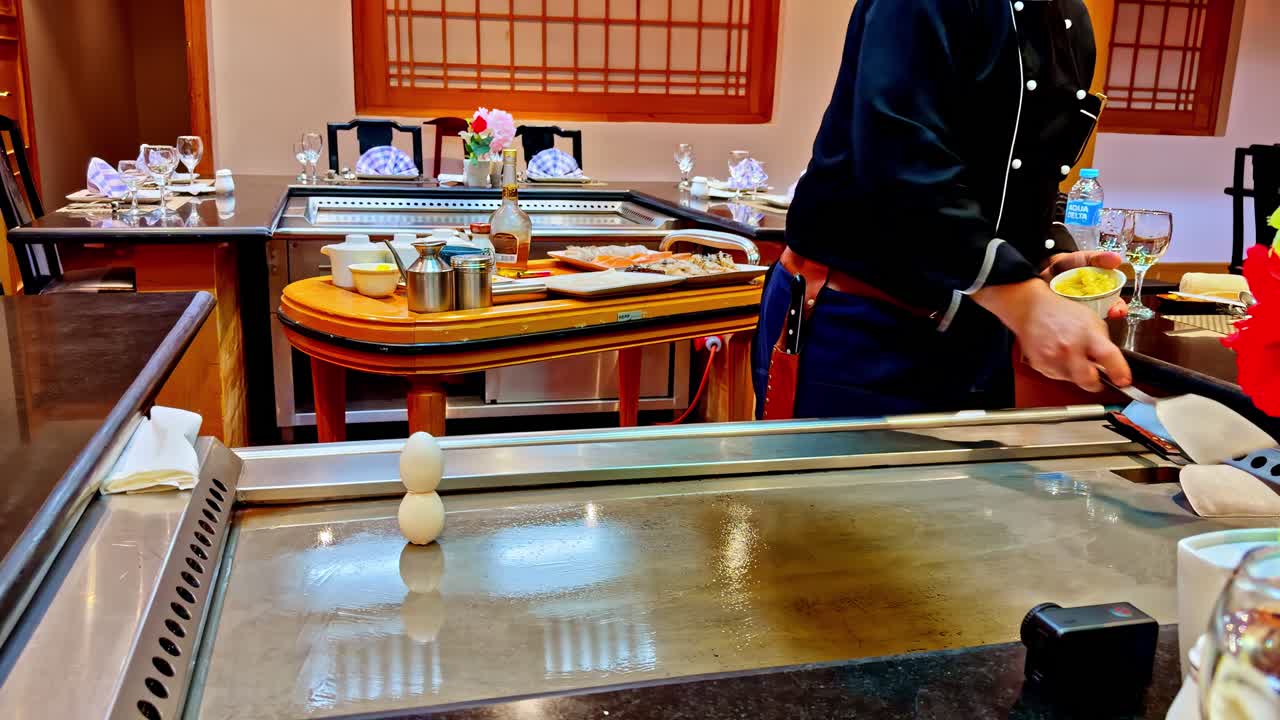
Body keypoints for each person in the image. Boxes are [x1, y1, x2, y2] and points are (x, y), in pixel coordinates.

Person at [753, 0, 1132, 420]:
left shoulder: (1071, 18)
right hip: (862, 324)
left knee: (966, 486)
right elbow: (897, 156)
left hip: (981, 331)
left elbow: (1024, 173)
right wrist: (1025, 301)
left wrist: (1042, 263)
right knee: (826, 486)